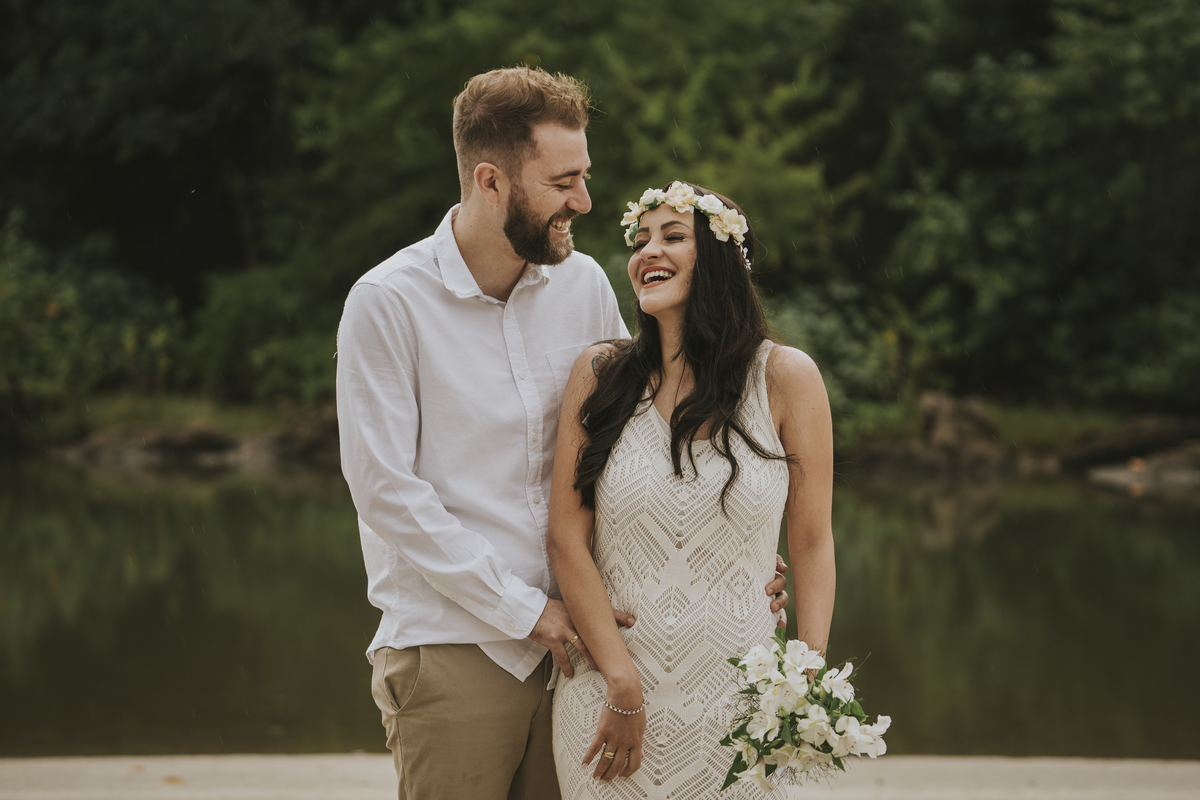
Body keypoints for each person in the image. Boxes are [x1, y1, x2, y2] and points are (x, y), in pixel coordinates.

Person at [335, 69, 792, 800]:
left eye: (584, 178)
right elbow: (385, 491)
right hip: (458, 646)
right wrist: (527, 611)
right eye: (563, 181)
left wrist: (734, 551)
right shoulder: (388, 303)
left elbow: (642, 440)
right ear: (491, 181)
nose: (582, 201)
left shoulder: (581, 286)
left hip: (588, 648)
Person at [548, 182, 836, 799]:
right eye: (641, 238)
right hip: (608, 694)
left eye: (673, 236)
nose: (648, 251)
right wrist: (621, 683)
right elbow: (566, 540)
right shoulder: (600, 376)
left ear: (723, 258)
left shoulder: (786, 378)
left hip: (739, 703)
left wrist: (803, 684)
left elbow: (811, 542)